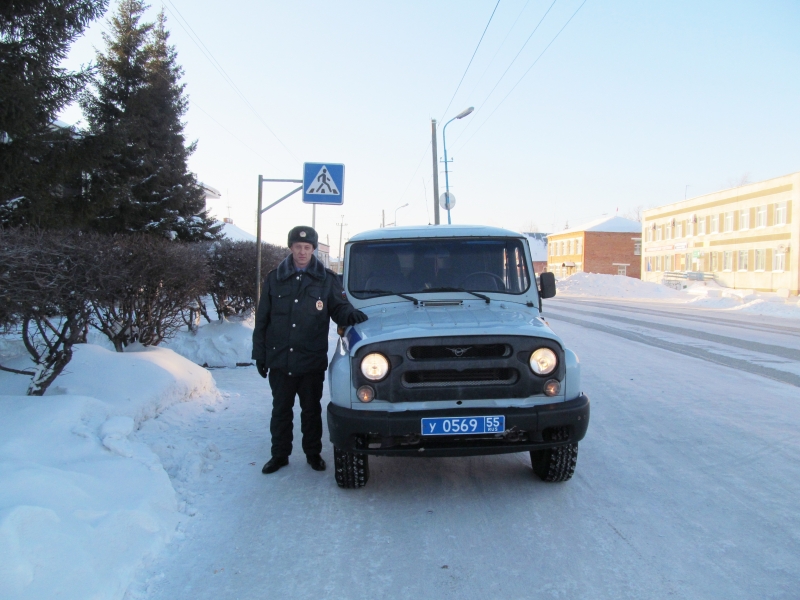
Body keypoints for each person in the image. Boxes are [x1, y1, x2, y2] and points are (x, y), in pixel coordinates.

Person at [252, 225, 367, 474]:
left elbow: (338, 308)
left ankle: (313, 454)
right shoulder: (275, 278)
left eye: (307, 247)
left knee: (311, 411)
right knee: (281, 411)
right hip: (280, 358)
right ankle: (279, 455)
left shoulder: (326, 279)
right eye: (298, 247)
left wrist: (350, 315)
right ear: (290, 248)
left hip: (310, 358)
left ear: (313, 249)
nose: (302, 252)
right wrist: (260, 355)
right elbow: (262, 320)